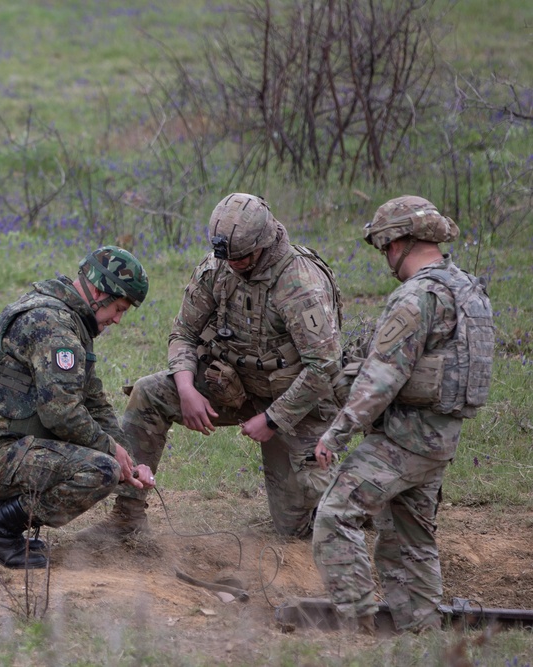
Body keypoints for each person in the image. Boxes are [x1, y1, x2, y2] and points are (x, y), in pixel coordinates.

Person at [80, 193, 345, 541]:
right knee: (149, 392)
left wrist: (273, 419)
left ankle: (361, 499)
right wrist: (187, 387)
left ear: (264, 245)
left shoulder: (299, 284)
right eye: (226, 257)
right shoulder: (218, 266)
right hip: (231, 385)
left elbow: (324, 367)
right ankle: (126, 519)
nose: (231, 264)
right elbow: (183, 332)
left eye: (241, 258)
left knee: (298, 533)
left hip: (295, 401)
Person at [312, 196, 493, 635]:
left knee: (336, 516)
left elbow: (380, 378)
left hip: (403, 439)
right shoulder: (469, 289)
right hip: (441, 441)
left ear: (398, 241)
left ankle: (355, 629)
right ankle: (422, 636)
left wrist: (335, 434)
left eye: (384, 246)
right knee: (407, 541)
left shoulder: (416, 296)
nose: (385, 257)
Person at [0, 246, 156, 568]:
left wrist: (129, 458)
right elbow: (61, 413)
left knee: (107, 458)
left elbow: (93, 401)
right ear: (98, 292)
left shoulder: (68, 319)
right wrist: (112, 454)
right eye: (119, 308)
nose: (119, 320)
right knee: (99, 469)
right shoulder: (54, 326)